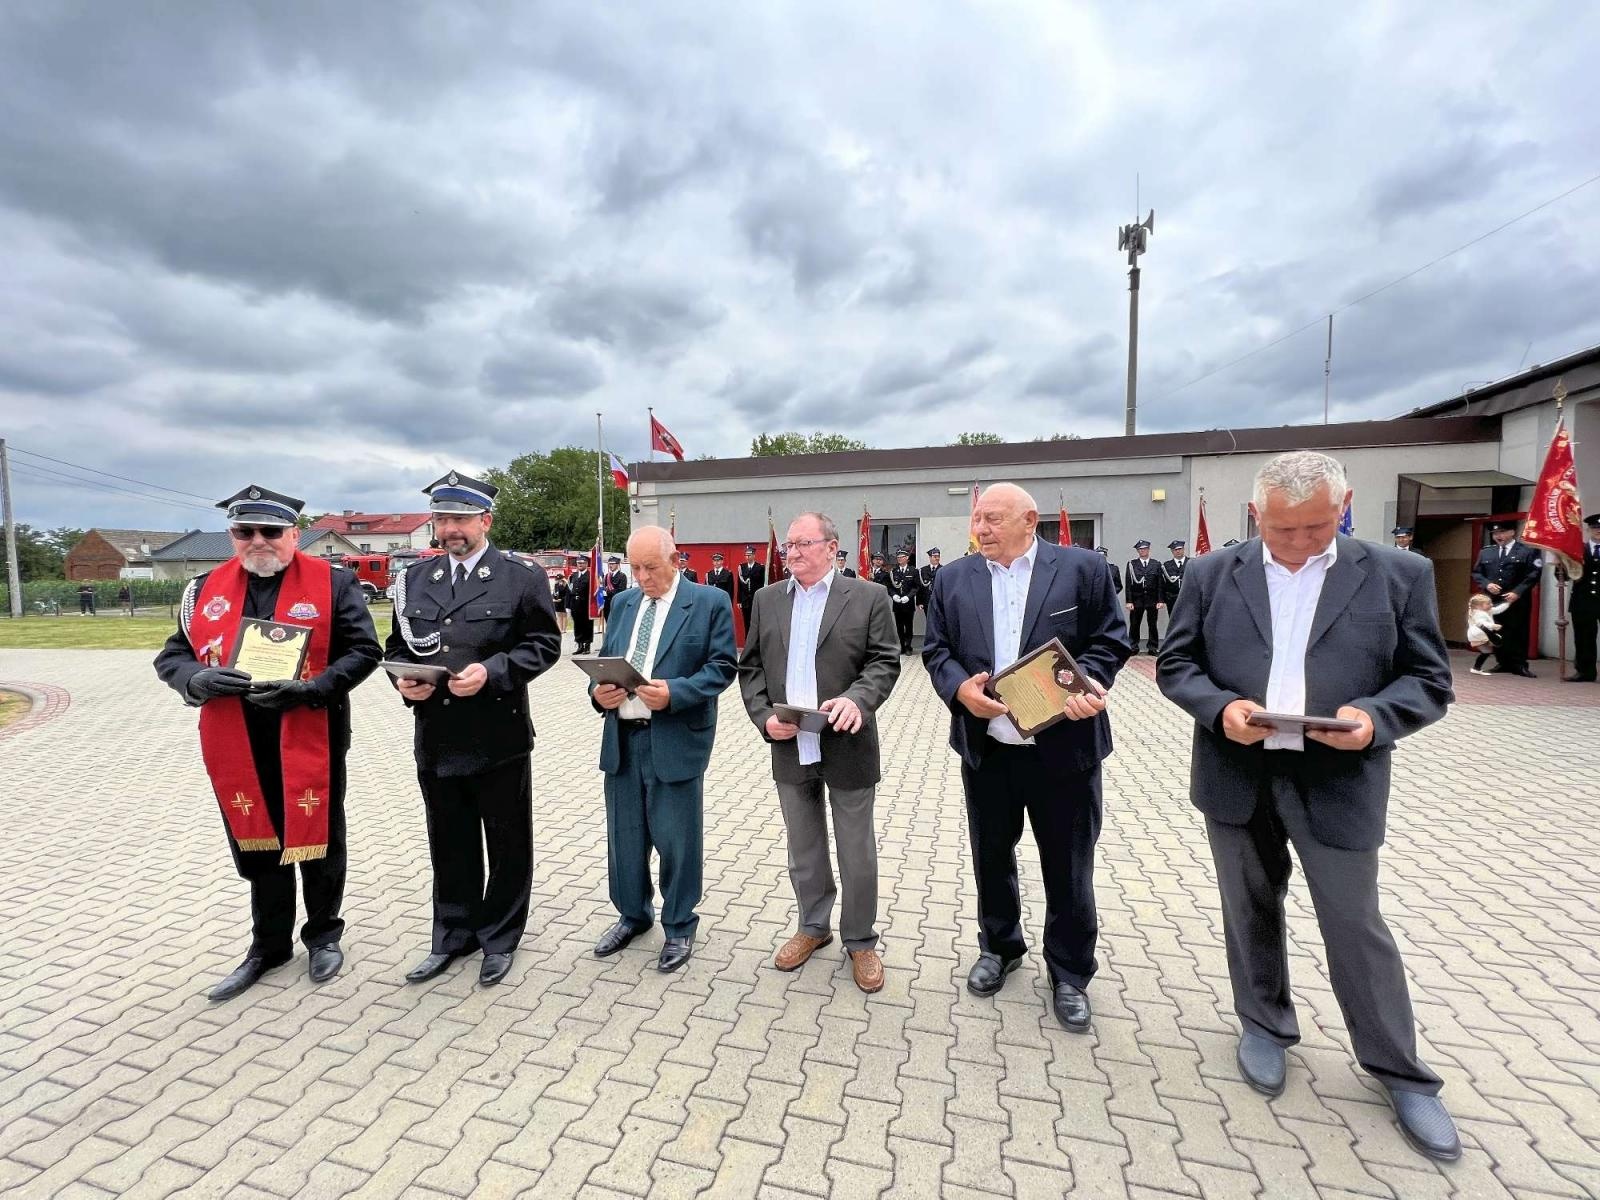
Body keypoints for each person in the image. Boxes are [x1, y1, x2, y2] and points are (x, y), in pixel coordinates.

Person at [1157, 450, 1459, 1162]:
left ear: (1345, 505)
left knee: (1355, 925)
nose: (1298, 544)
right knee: (1249, 907)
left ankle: (1399, 1069)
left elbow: (1430, 679)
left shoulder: (1400, 575)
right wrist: (1221, 707)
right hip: (1237, 773)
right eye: (1283, 529)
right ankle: (1264, 1024)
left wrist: (1375, 718)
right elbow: (1177, 664)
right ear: (1257, 513)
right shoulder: (1210, 573)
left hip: (1339, 780)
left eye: (1317, 527)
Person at [154, 484, 381, 1001]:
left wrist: (314, 688)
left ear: (293, 535)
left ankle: (324, 934)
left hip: (310, 730)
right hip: (238, 737)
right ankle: (269, 944)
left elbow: (364, 650)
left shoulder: (333, 582)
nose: (258, 540)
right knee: (259, 839)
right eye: (244, 531)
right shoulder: (204, 588)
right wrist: (194, 681)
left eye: (270, 531)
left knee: (319, 835)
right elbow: (173, 656)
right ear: (232, 536)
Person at [923, 483, 1132, 1032]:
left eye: (992, 519)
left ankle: (1069, 971)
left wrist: (1090, 683)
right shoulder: (952, 578)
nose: (981, 529)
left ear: (1029, 520)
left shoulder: (1083, 570)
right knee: (991, 854)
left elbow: (1111, 641)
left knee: (1067, 865)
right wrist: (958, 690)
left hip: (1064, 750)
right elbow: (936, 650)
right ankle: (1000, 946)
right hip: (987, 748)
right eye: (977, 519)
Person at [387, 471, 562, 988]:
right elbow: (398, 647)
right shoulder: (415, 581)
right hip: (437, 734)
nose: (449, 530)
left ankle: (500, 938)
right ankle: (452, 936)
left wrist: (494, 672)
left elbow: (544, 645)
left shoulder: (521, 576)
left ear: (485, 520)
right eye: (442, 519)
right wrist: (405, 684)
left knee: (507, 842)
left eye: (460, 519)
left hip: (497, 733)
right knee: (449, 841)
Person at [738, 512, 900, 991]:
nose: (792, 553)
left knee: (856, 851)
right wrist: (763, 717)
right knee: (804, 848)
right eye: (789, 545)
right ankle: (813, 926)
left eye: (804, 544)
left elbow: (884, 660)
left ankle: (861, 940)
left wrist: (858, 699)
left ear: (832, 548)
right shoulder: (767, 599)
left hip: (847, 743)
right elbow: (750, 669)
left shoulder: (868, 596)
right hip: (790, 745)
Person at [589, 527, 737, 972]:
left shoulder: (709, 602)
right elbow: (604, 660)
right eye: (634, 568)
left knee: (677, 840)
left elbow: (723, 666)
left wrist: (676, 692)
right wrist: (598, 694)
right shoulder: (622, 604)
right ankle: (632, 915)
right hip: (623, 739)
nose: (641, 577)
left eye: (650, 567)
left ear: (676, 560)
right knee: (625, 839)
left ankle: (679, 925)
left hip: (675, 739)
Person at [1470, 520, 1542, 677]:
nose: (1498, 536)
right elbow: (1477, 572)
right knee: (1497, 630)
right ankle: (1502, 662)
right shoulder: (1486, 552)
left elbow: (1534, 573)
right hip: (1493, 601)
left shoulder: (1527, 551)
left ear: (1512, 532)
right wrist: (1487, 584)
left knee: (1518, 630)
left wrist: (1518, 592)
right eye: (1495, 534)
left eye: (1501, 532)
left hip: (1517, 599)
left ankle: (1519, 664)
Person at [1563, 514, 1600, 682]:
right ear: (1588, 530)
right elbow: (1565, 576)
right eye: (1594, 528)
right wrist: (1560, 567)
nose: (1598, 531)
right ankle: (1585, 672)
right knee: (1584, 638)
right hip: (1583, 601)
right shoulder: (1577, 550)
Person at [1125, 540, 1162, 654]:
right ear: (1137, 551)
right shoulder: (1132, 564)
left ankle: (1152, 647)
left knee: (1152, 624)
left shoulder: (1156, 564)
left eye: (1145, 549)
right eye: (1140, 549)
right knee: (1135, 624)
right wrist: (1129, 601)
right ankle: (1133, 647)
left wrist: (1160, 600)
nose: (1143, 551)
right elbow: (1128, 583)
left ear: (1148, 550)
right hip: (1137, 599)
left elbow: (1160, 583)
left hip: (1152, 599)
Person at [1466, 593, 1510, 675]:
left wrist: (1507, 603)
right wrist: (1492, 625)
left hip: (1482, 633)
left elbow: (1497, 609)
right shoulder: (1479, 613)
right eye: (1488, 604)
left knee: (1487, 651)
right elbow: (1481, 622)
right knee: (1489, 649)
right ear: (1478, 606)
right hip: (1478, 634)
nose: (1491, 605)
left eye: (1491, 603)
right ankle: (1476, 668)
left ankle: (1476, 668)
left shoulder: (1486, 610)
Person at [889, 548, 919, 654]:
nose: (899, 559)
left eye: (901, 557)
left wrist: (909, 597)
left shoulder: (913, 571)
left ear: (907, 558)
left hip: (908, 604)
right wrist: (894, 595)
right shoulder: (893, 571)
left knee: (909, 626)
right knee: (899, 626)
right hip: (897, 605)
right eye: (898, 557)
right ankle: (901, 646)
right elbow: (890, 587)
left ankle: (908, 646)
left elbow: (916, 587)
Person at [569, 558, 595, 654]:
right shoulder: (573, 576)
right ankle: (579, 645)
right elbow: (570, 590)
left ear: (586, 564)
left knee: (587, 625)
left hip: (586, 605)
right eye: (578, 563)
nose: (580, 564)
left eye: (582, 563)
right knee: (577, 625)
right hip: (575, 604)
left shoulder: (590, 576)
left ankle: (587, 645)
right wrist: (568, 605)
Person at [738, 545, 765, 631]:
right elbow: (740, 584)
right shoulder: (741, 567)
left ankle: (756, 643)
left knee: (756, 622)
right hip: (745, 600)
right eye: (746, 555)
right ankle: (748, 643)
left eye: (749, 555)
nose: (747, 557)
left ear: (754, 555)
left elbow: (762, 583)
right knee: (746, 623)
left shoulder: (760, 567)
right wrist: (739, 600)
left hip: (756, 598)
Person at [1160, 539, 1188, 611]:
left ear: (1183, 549)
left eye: (1179, 549)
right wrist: (1162, 599)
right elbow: (1162, 583)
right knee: (1173, 620)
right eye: (1175, 550)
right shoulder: (1166, 565)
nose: (1178, 551)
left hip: (1189, 597)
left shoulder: (1191, 562)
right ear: (1172, 551)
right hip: (1172, 598)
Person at [603, 555, 629, 625]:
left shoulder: (622, 576)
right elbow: (604, 588)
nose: (610, 565)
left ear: (617, 564)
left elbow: (621, 591)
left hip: (617, 603)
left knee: (616, 623)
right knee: (608, 622)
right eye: (609, 564)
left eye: (612, 564)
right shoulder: (606, 576)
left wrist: (608, 591)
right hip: (607, 604)